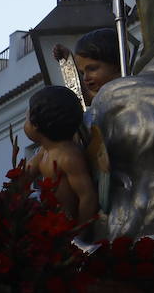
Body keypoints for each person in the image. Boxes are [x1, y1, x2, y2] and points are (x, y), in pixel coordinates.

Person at [24, 86, 98, 225]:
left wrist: (80, 230)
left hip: (67, 225)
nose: (25, 123)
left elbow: (87, 196)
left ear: (36, 124)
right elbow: (23, 177)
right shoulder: (44, 151)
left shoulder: (67, 157)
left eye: (26, 118)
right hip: (51, 221)